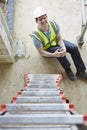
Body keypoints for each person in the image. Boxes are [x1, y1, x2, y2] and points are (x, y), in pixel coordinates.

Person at [30, 7, 87, 81]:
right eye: (40, 19)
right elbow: (41, 53)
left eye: (44, 18)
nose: (43, 20)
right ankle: (68, 69)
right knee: (59, 51)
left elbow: (59, 39)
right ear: (36, 21)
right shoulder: (36, 35)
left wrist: (64, 48)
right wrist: (54, 55)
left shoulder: (53, 24)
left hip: (56, 42)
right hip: (47, 50)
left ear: (47, 17)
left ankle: (81, 71)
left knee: (74, 47)